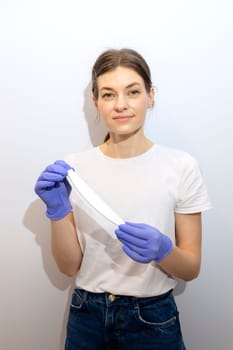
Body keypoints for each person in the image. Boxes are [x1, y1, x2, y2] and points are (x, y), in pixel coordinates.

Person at [34, 48, 212, 350]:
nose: (121, 105)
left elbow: (190, 268)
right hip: (86, 317)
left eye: (132, 92)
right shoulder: (73, 169)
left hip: (153, 319)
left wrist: (163, 250)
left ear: (150, 95)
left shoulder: (181, 166)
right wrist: (57, 211)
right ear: (95, 103)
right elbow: (68, 266)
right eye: (108, 94)